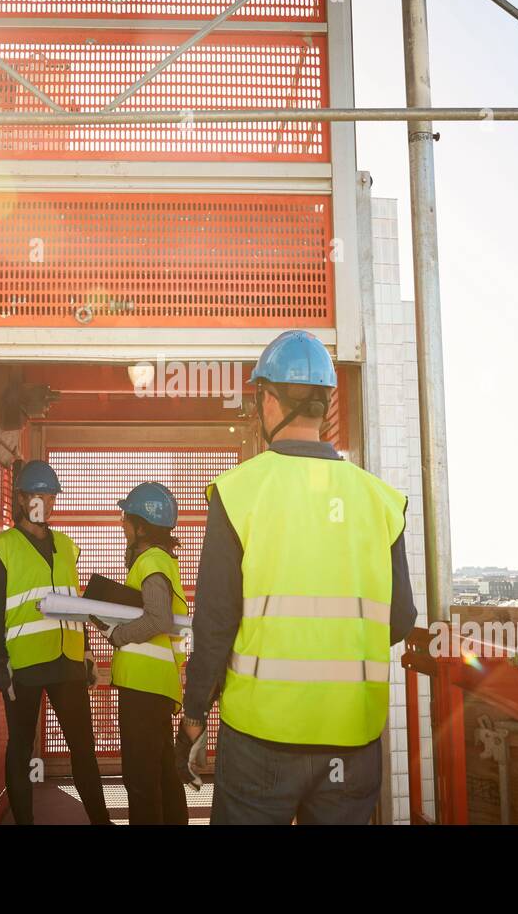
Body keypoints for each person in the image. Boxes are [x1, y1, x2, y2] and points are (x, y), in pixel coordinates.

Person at [177, 330, 416, 825]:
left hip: (261, 738)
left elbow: (216, 621)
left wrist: (195, 710)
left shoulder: (239, 492)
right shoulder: (379, 500)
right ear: (324, 405)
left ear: (268, 399)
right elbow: (400, 620)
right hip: (351, 740)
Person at [0, 459, 111, 825]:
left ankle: (101, 821)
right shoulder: (2, 548)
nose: (47, 502)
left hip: (67, 662)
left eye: (51, 496)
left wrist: (87, 650)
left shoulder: (68, 547)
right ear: (22, 499)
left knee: (83, 749)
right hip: (23, 666)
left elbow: (77, 603)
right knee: (21, 750)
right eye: (39, 495)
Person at [91, 482, 190, 825]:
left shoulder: (151, 562)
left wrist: (118, 635)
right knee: (162, 774)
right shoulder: (159, 560)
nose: (122, 524)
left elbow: (158, 618)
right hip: (156, 687)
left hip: (145, 690)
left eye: (126, 519)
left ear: (143, 527)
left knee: (140, 780)